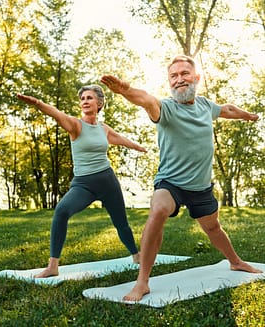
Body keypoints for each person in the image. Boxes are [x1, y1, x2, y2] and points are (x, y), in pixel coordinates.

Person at [101, 55, 262, 301]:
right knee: (158, 210)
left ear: (196, 78)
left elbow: (227, 109)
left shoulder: (206, 106)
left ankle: (235, 261)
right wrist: (125, 91)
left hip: (200, 186)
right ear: (169, 82)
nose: (179, 80)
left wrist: (247, 116)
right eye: (174, 76)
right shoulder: (166, 108)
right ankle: (142, 281)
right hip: (171, 183)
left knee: (213, 227)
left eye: (185, 74)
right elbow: (146, 100)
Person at [17, 84, 146, 278]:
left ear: (99, 103)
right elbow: (57, 114)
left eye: (89, 98)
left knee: (121, 223)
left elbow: (119, 138)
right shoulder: (75, 125)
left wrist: (138, 147)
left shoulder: (103, 128)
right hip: (84, 184)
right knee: (61, 211)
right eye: (83, 98)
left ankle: (136, 256)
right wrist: (37, 103)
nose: (85, 101)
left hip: (107, 180)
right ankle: (53, 266)